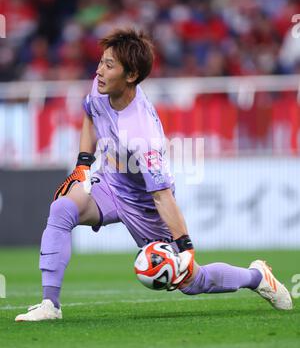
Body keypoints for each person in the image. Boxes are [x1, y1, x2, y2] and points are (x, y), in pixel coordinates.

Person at [15, 29, 292, 321]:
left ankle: (256, 277)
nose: (99, 70)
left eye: (109, 65)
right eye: (101, 61)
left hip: (146, 206)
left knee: (192, 282)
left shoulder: (143, 136)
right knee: (62, 209)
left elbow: (162, 196)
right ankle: (50, 305)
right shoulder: (101, 86)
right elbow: (89, 113)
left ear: (131, 75)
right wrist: (83, 164)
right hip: (110, 184)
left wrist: (186, 247)